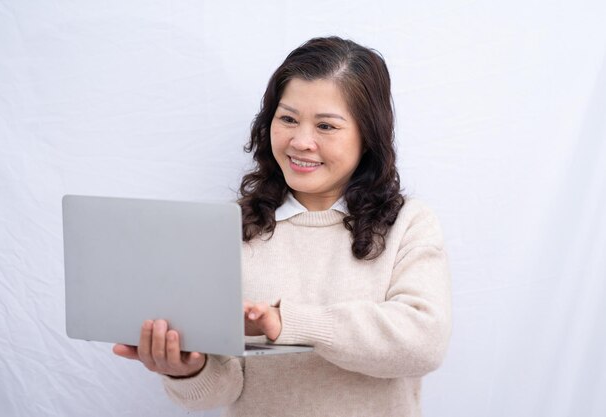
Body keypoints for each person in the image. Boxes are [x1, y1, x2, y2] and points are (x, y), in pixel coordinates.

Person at [113, 36, 452, 417]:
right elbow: (222, 389)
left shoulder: (408, 223)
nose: (301, 141)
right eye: (288, 119)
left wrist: (288, 321)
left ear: (367, 136)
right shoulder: (231, 227)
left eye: (326, 126)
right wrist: (188, 370)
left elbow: (424, 342)